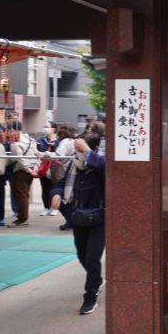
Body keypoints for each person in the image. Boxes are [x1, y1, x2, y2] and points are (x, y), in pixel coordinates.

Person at [50, 133, 105, 315]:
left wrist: (87, 151)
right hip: (79, 217)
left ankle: (90, 295)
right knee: (82, 255)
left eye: (79, 149)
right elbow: (61, 183)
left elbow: (106, 171)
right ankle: (96, 280)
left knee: (92, 257)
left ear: (92, 148)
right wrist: (56, 194)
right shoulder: (73, 166)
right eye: (76, 149)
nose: (77, 152)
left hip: (99, 218)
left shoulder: (100, 163)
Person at [7, 120, 39, 227]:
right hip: (31, 169)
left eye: (9, 131)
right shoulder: (31, 140)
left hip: (21, 171)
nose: (9, 133)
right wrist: (35, 169)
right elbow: (37, 155)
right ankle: (23, 217)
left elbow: (20, 159)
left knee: (21, 195)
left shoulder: (16, 144)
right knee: (25, 194)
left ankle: (23, 219)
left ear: (13, 130)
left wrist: (29, 170)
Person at [36, 121, 58, 216]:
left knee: (54, 188)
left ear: (53, 129)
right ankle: (46, 207)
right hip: (44, 168)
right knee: (44, 188)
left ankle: (54, 208)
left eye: (47, 126)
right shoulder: (41, 140)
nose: (45, 128)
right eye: (44, 126)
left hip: (54, 169)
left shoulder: (58, 141)